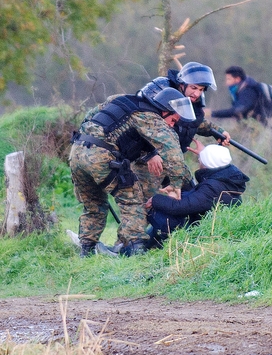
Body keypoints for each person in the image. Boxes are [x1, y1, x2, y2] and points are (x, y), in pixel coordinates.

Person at [69, 88, 195, 257]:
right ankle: (137, 249)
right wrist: (176, 184)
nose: (172, 125)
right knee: (132, 200)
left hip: (77, 151)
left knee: (93, 204)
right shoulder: (151, 117)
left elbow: (90, 116)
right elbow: (172, 151)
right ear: (165, 110)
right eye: (173, 120)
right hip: (101, 155)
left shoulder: (122, 99)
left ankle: (86, 250)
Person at [135, 62, 231, 200]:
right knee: (147, 203)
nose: (197, 93)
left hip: (173, 160)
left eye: (201, 89)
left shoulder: (192, 102)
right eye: (194, 88)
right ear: (182, 84)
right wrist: (149, 154)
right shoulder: (161, 94)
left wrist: (218, 131)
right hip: (148, 161)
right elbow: (139, 125)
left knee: (191, 196)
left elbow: (195, 122)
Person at [144, 143, 249, 248]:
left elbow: (180, 207)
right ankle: (149, 243)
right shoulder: (226, 178)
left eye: (202, 159)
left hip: (196, 232)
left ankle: (148, 246)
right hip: (203, 223)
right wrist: (205, 155)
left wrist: (155, 200)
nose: (199, 160)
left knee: (160, 214)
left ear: (208, 163)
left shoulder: (212, 188)